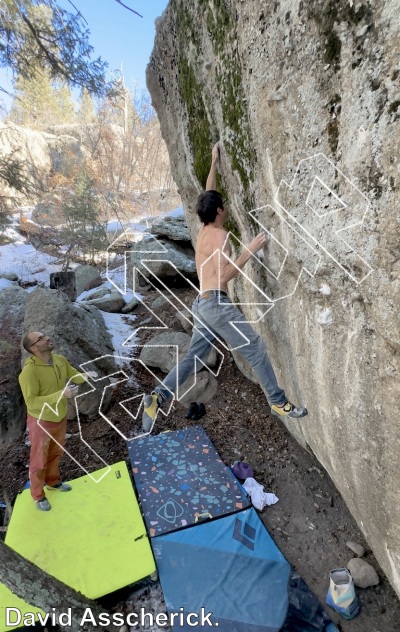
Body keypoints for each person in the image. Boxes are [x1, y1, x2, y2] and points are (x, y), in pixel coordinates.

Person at [142, 143, 307, 430]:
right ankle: (278, 400)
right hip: (215, 304)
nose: (227, 207)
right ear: (220, 211)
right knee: (255, 347)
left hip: (201, 305)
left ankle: (158, 395)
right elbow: (223, 276)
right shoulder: (219, 237)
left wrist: (214, 163)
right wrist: (251, 249)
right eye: (224, 205)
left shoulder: (204, 226)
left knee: (194, 356)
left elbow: (208, 191)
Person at [18, 332, 96, 511]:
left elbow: (72, 374)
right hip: (41, 421)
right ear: (34, 348)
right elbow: (31, 402)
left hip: (60, 416)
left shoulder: (59, 359)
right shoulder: (29, 372)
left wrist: (84, 376)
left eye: (44, 335)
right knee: (39, 460)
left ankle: (53, 482)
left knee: (56, 454)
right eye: (41, 338)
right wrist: (61, 394)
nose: (47, 338)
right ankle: (37, 495)